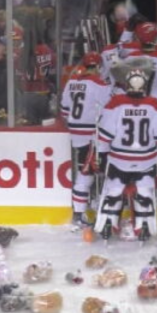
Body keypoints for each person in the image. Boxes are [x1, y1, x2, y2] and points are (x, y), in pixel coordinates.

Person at [94, 61, 157, 241]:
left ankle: (108, 223)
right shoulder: (155, 105)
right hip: (146, 161)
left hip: (118, 160)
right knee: (145, 191)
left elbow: (104, 134)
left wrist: (101, 154)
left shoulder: (115, 103)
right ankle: (144, 226)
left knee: (114, 190)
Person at [59, 52, 111, 225]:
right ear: (97, 66)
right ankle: (83, 211)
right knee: (91, 171)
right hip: (93, 134)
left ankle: (81, 209)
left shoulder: (72, 82)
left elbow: (65, 110)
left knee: (84, 168)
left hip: (76, 133)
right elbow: (110, 111)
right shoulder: (101, 84)